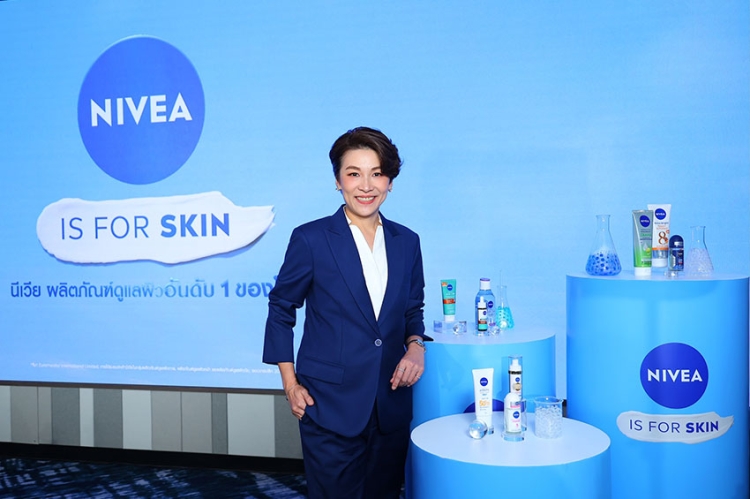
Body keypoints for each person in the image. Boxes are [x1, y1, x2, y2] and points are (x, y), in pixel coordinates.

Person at [263, 126, 428, 499]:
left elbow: (412, 308)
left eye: (377, 174)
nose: (366, 186)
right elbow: (281, 308)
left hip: (390, 403)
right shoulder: (311, 238)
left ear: (390, 182)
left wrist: (416, 346)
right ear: (338, 181)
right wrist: (289, 384)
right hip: (328, 404)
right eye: (354, 174)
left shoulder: (407, 241)